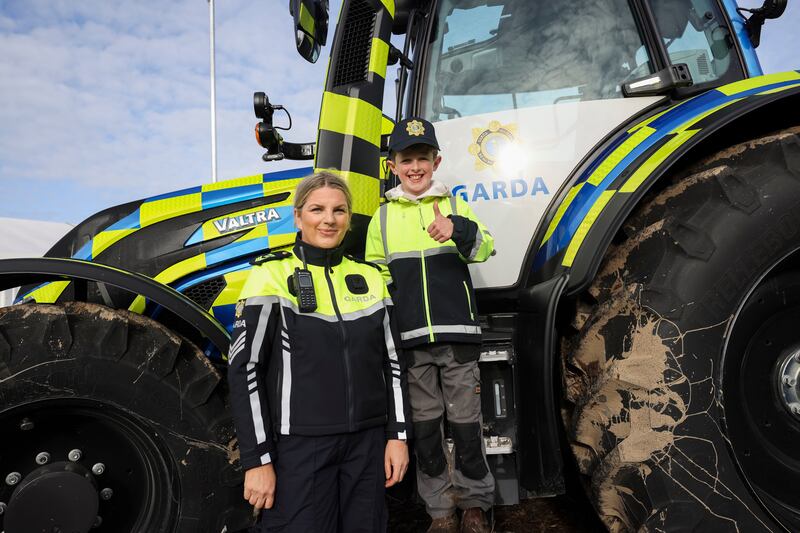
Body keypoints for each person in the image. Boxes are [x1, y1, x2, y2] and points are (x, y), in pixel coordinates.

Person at [228, 171, 411, 532]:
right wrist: (258, 460)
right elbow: (244, 369)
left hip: (367, 445)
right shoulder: (271, 276)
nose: (329, 219)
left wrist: (398, 436)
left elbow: (393, 363)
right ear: (298, 216)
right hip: (300, 449)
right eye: (317, 209)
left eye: (339, 210)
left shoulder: (372, 278)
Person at [365, 118, 495, 533]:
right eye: (407, 159)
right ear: (393, 166)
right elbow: (375, 281)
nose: (415, 166)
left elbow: (485, 248)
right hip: (412, 344)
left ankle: (475, 504)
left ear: (436, 161)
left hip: (457, 339)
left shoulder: (455, 206)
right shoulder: (381, 220)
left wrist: (458, 230)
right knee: (425, 432)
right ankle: (440, 512)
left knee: (466, 425)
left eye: (423, 157)